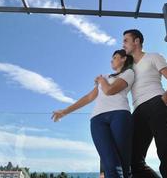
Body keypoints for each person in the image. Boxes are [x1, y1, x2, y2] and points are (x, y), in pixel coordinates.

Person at [52, 49, 134, 178]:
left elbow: (110, 90)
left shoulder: (128, 73)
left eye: (115, 57)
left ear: (124, 58)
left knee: (124, 165)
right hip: (97, 120)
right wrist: (65, 111)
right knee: (109, 163)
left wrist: (101, 81)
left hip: (119, 115)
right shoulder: (106, 77)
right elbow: (88, 97)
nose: (111, 60)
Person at [122, 29, 167, 178]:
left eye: (125, 40)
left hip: (157, 102)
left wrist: (164, 99)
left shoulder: (153, 56)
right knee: (133, 160)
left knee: (166, 152)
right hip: (138, 110)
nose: (123, 44)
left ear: (136, 41)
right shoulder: (128, 69)